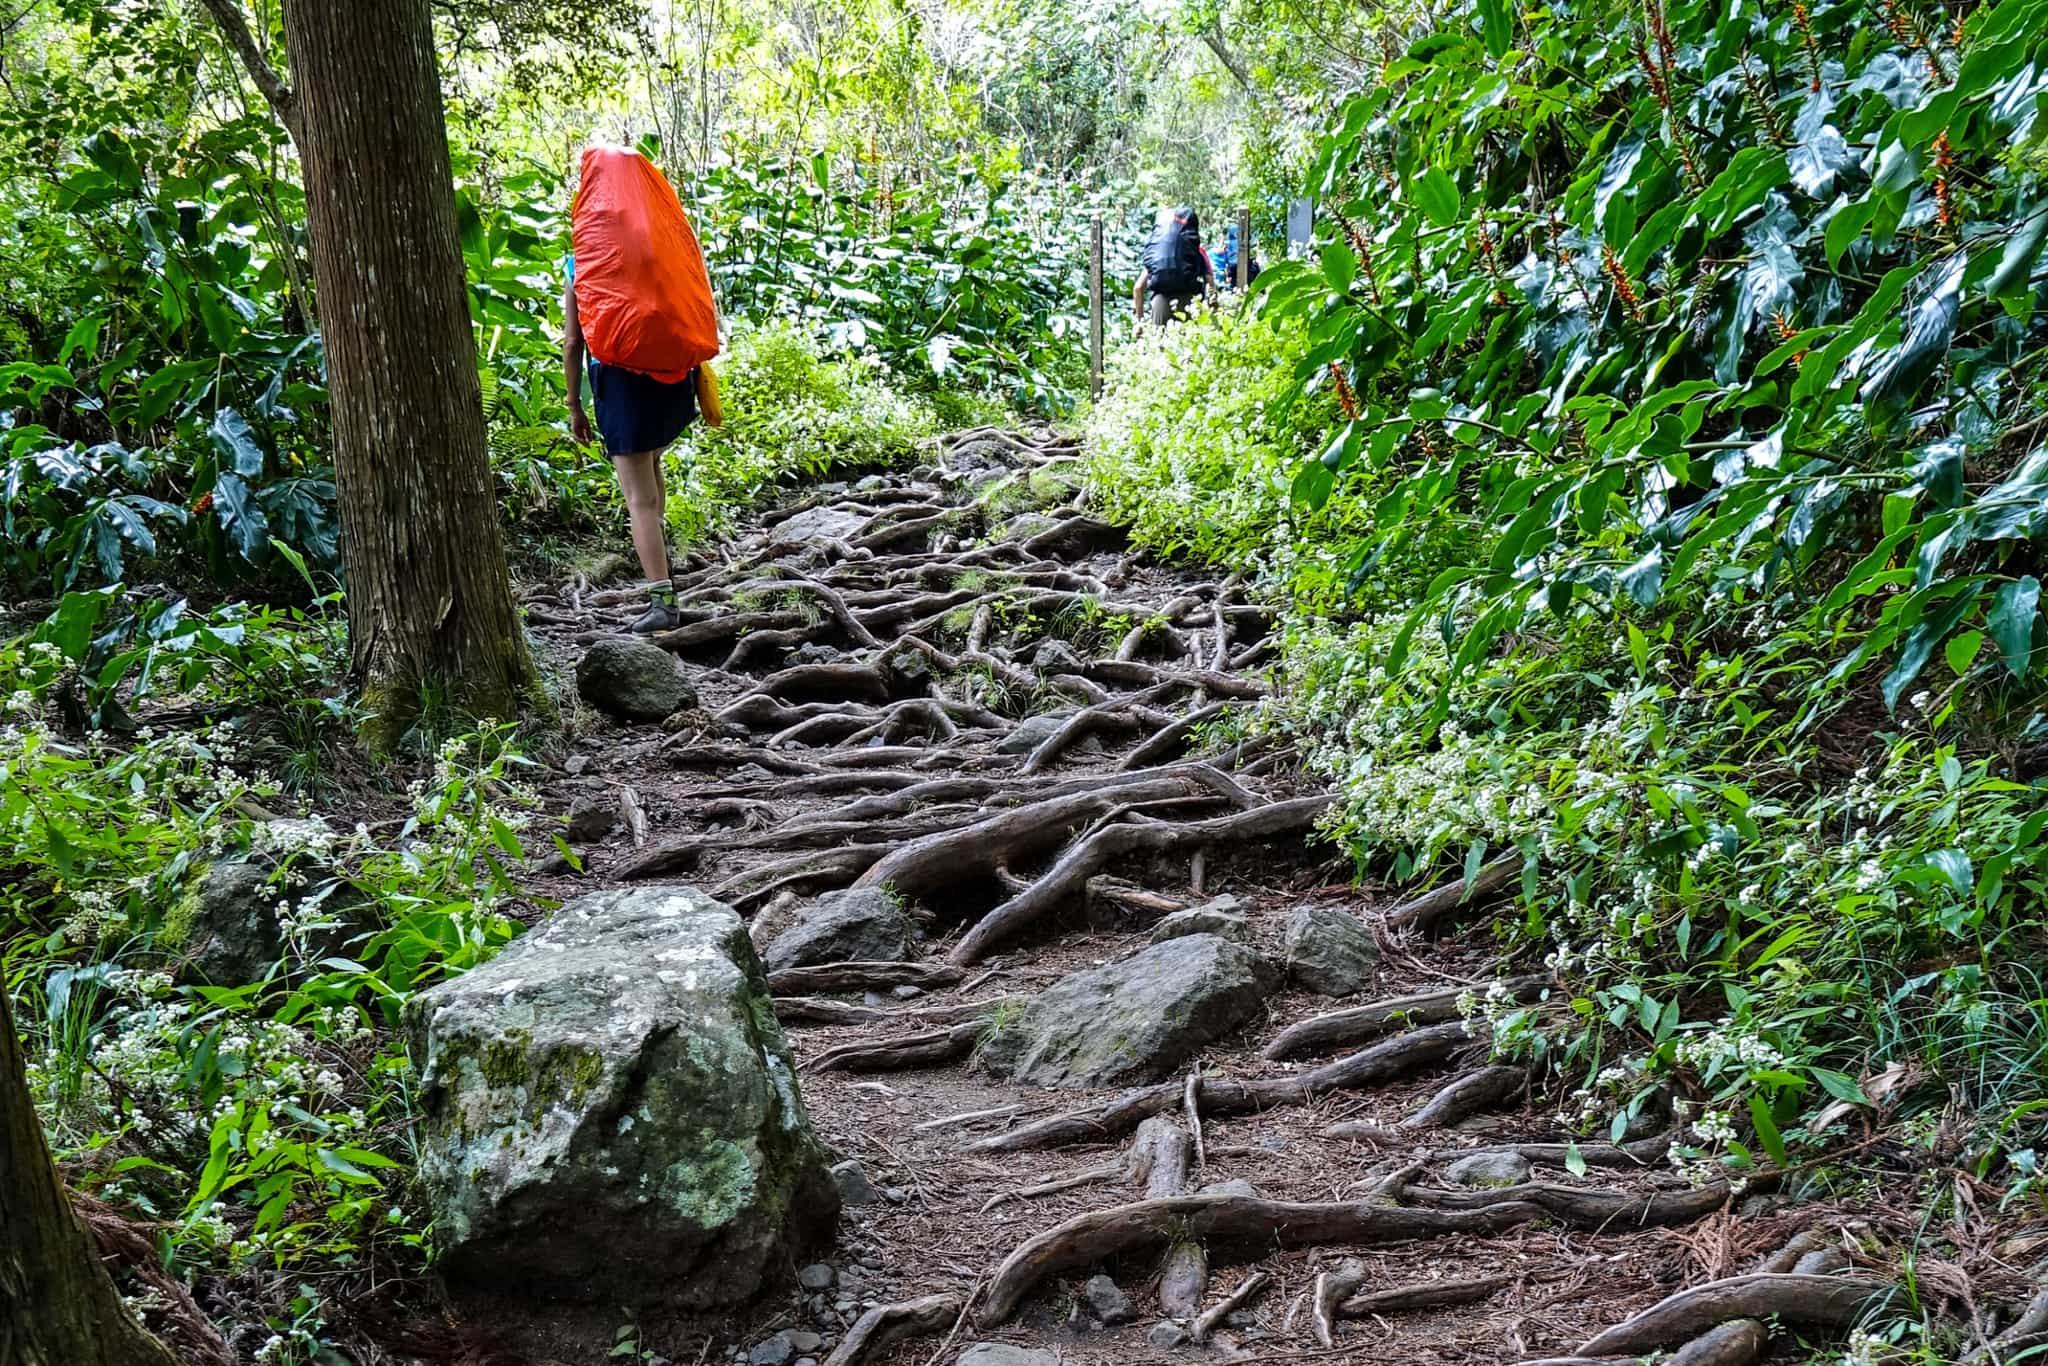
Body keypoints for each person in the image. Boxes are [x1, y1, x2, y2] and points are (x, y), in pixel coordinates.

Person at [562, 147, 717, 635]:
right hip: (669, 385)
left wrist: (574, 404)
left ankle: (662, 601)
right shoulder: (666, 245)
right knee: (652, 479)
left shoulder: (582, 260)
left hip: (622, 386)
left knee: (639, 500)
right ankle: (665, 579)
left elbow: (572, 342)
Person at [1133, 205, 1213, 326]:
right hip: (1189, 305)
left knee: (1160, 343)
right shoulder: (1197, 252)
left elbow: (1138, 288)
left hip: (1160, 304)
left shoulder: (1157, 256)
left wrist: (1140, 323)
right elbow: (1210, 285)